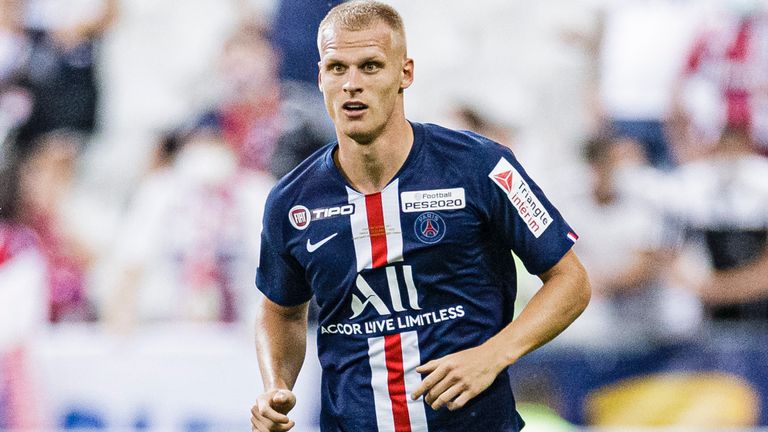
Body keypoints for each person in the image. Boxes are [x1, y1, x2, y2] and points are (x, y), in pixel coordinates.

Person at [250, 2, 591, 431]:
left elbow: (571, 281)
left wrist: (494, 354)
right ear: (320, 77)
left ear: (405, 73)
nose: (352, 84)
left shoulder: (481, 166)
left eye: (371, 66)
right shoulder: (291, 201)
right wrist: (275, 385)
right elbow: (280, 309)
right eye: (337, 68)